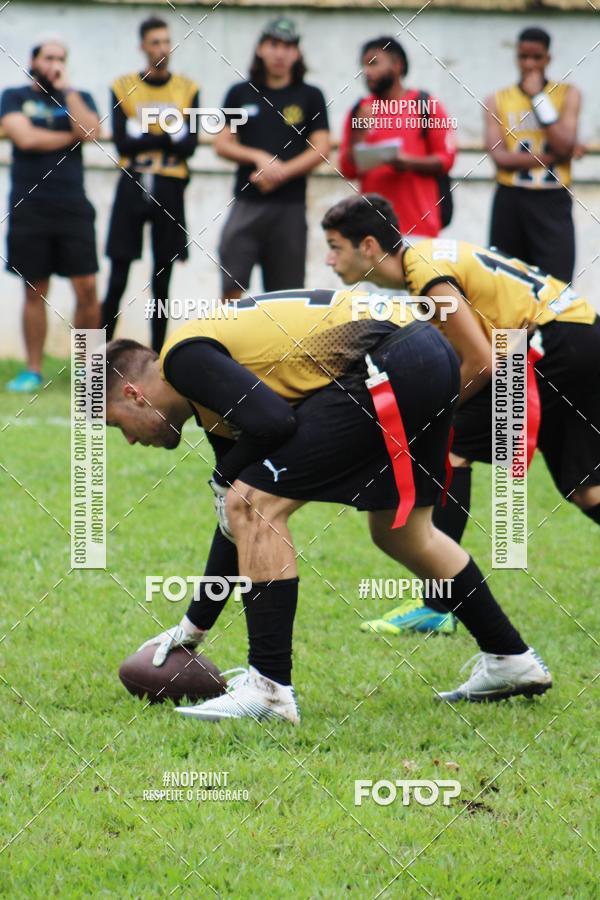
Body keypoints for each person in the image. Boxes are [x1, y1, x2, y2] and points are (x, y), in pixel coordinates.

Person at [105, 289, 552, 722]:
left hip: (390, 361)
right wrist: (193, 627)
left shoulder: (183, 360)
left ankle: (269, 690)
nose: (128, 439)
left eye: (116, 424)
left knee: (254, 503)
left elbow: (274, 427)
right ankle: (510, 658)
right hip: (422, 353)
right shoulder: (206, 383)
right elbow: (232, 522)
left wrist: (227, 480)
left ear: (132, 394)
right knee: (403, 533)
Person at [322, 193, 600, 633]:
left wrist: (434, 413)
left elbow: (483, 362)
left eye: (335, 247)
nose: (328, 260)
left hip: (550, 344)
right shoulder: (425, 259)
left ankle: (439, 606)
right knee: (587, 489)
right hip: (575, 333)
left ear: (370, 246)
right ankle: (441, 603)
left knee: (449, 446)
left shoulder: (426, 275)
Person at [1, 37, 100, 392]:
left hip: (73, 206)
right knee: (34, 289)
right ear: (33, 60)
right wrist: (71, 137)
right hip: (30, 206)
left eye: (60, 58)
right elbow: (25, 139)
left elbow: (91, 131)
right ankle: (32, 370)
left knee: (87, 288)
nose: (53, 63)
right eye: (48, 57)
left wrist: (67, 89)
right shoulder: (14, 96)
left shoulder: (79, 97)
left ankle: (88, 369)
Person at [214, 17, 330, 300]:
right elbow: (222, 143)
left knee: (286, 296)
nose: (280, 53)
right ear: (261, 49)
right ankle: (227, 343)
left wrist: (280, 172)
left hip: (290, 208)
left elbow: (322, 148)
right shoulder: (240, 93)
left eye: (288, 46)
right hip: (246, 203)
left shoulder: (310, 95)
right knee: (231, 284)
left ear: (297, 53)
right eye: (274, 45)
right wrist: (258, 157)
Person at [102, 17, 199, 352]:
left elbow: (189, 146)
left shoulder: (187, 88)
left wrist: (143, 131)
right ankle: (95, 362)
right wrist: (169, 133)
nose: (162, 48)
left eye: (166, 42)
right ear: (143, 46)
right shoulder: (122, 85)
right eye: (155, 42)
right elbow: (121, 143)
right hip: (132, 183)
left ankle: (158, 360)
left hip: (170, 187)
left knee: (163, 281)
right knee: (117, 277)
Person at [485, 26, 582, 283]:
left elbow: (562, 143)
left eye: (536, 57)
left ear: (547, 58)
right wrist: (555, 157)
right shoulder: (497, 99)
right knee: (507, 287)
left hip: (553, 200)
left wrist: (538, 97)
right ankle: (515, 328)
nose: (529, 64)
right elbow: (500, 158)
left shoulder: (567, 94)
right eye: (523, 57)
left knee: (557, 289)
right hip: (511, 200)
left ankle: (557, 326)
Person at [339, 37, 455, 241]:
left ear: (397, 65)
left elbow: (446, 159)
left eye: (373, 63)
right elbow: (347, 170)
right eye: (364, 65)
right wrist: (360, 133)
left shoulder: (426, 105)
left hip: (420, 227)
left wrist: (406, 162)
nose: (366, 71)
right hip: (372, 231)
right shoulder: (360, 110)